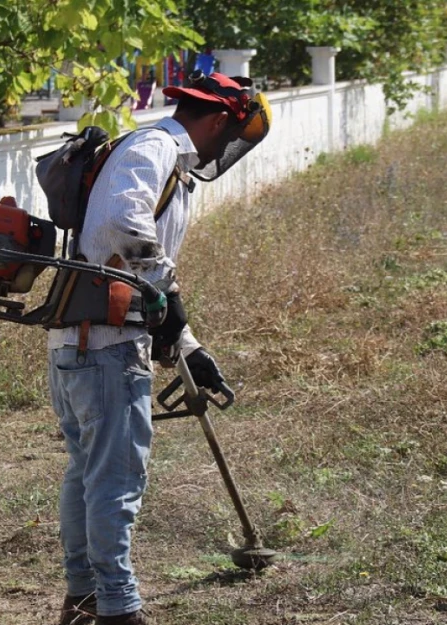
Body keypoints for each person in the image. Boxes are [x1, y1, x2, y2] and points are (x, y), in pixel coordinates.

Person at [49, 72, 271, 625]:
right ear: (219, 120)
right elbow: (124, 226)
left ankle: (82, 600)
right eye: (233, 132)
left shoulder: (157, 154)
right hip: (106, 345)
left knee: (88, 473)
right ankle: (119, 610)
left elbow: (137, 261)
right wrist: (164, 295)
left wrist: (186, 342)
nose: (229, 146)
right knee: (116, 480)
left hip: (85, 337)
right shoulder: (155, 147)